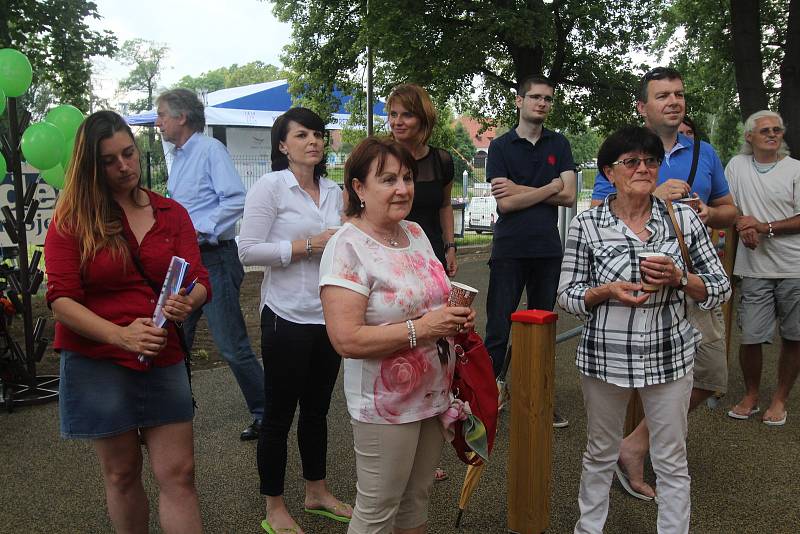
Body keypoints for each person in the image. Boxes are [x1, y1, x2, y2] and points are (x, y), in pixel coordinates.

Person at [558, 125, 731, 533]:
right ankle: (589, 529)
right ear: (609, 172)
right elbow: (566, 294)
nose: (643, 168)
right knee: (600, 452)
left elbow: (720, 286)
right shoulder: (588, 224)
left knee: (671, 458)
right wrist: (605, 291)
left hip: (669, 355)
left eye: (651, 161)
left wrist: (680, 278)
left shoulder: (683, 217)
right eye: (631, 161)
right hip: (605, 357)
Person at [45, 110, 210, 533]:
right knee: (121, 473)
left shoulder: (171, 213)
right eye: (109, 160)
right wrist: (121, 336)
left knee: (180, 474)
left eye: (129, 154)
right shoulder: (72, 220)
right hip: (97, 357)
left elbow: (200, 281)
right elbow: (62, 300)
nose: (124, 167)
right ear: (90, 166)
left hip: (162, 353)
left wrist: (187, 302)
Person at [591, 67, 738, 499]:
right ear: (643, 106)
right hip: (639, 290)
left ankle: (635, 445)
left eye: (678, 94)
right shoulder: (625, 152)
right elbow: (601, 210)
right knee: (632, 383)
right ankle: (629, 457)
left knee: (711, 375)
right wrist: (654, 196)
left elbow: (732, 211)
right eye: (662, 95)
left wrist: (703, 213)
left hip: (693, 278)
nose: (674, 101)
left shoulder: (705, 153)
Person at [320, 137, 475, 534]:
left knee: (415, 502)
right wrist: (423, 329)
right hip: (385, 404)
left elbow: (431, 301)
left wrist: (454, 321)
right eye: (387, 179)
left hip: (433, 393)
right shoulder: (346, 247)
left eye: (407, 177)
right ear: (358, 188)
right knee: (376, 509)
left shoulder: (416, 232)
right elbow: (346, 339)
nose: (403, 188)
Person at [238, 107, 350, 534]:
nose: (314, 141)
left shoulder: (335, 191)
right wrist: (306, 245)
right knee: (279, 414)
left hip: (329, 316)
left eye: (318, 134)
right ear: (283, 146)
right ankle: (274, 507)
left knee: (318, 412)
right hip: (285, 316)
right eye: (302, 135)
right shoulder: (271, 188)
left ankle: (317, 491)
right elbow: (246, 251)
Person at [155, 88, 265, 441]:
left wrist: (198, 229)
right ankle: (174, 412)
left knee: (231, 345)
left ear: (182, 117)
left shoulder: (209, 151)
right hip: (186, 262)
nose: (158, 122)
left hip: (213, 258)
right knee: (175, 338)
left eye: (162, 115)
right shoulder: (181, 157)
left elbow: (236, 199)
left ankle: (266, 413)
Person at [484, 75, 577, 427]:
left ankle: (537, 396)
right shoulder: (501, 146)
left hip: (547, 250)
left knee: (541, 330)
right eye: (535, 97)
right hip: (509, 248)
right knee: (497, 328)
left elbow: (568, 196)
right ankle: (488, 399)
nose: (542, 103)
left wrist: (523, 190)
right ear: (519, 101)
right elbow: (504, 206)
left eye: (548, 99)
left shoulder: (560, 143)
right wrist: (550, 185)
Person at [725, 110, 800, 426]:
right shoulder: (736, 166)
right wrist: (744, 225)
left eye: (778, 130)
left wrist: (764, 226)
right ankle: (751, 394)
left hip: (793, 266)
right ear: (749, 136)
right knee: (751, 336)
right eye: (766, 130)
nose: (773, 134)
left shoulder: (796, 169)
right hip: (753, 267)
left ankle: (780, 398)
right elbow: (727, 205)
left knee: (794, 336)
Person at [387, 83, 458, 277]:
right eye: (393, 114)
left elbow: (445, 205)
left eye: (407, 115)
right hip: (389, 254)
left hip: (430, 253)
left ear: (423, 118)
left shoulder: (441, 160)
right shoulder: (378, 158)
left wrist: (450, 246)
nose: (397, 121)